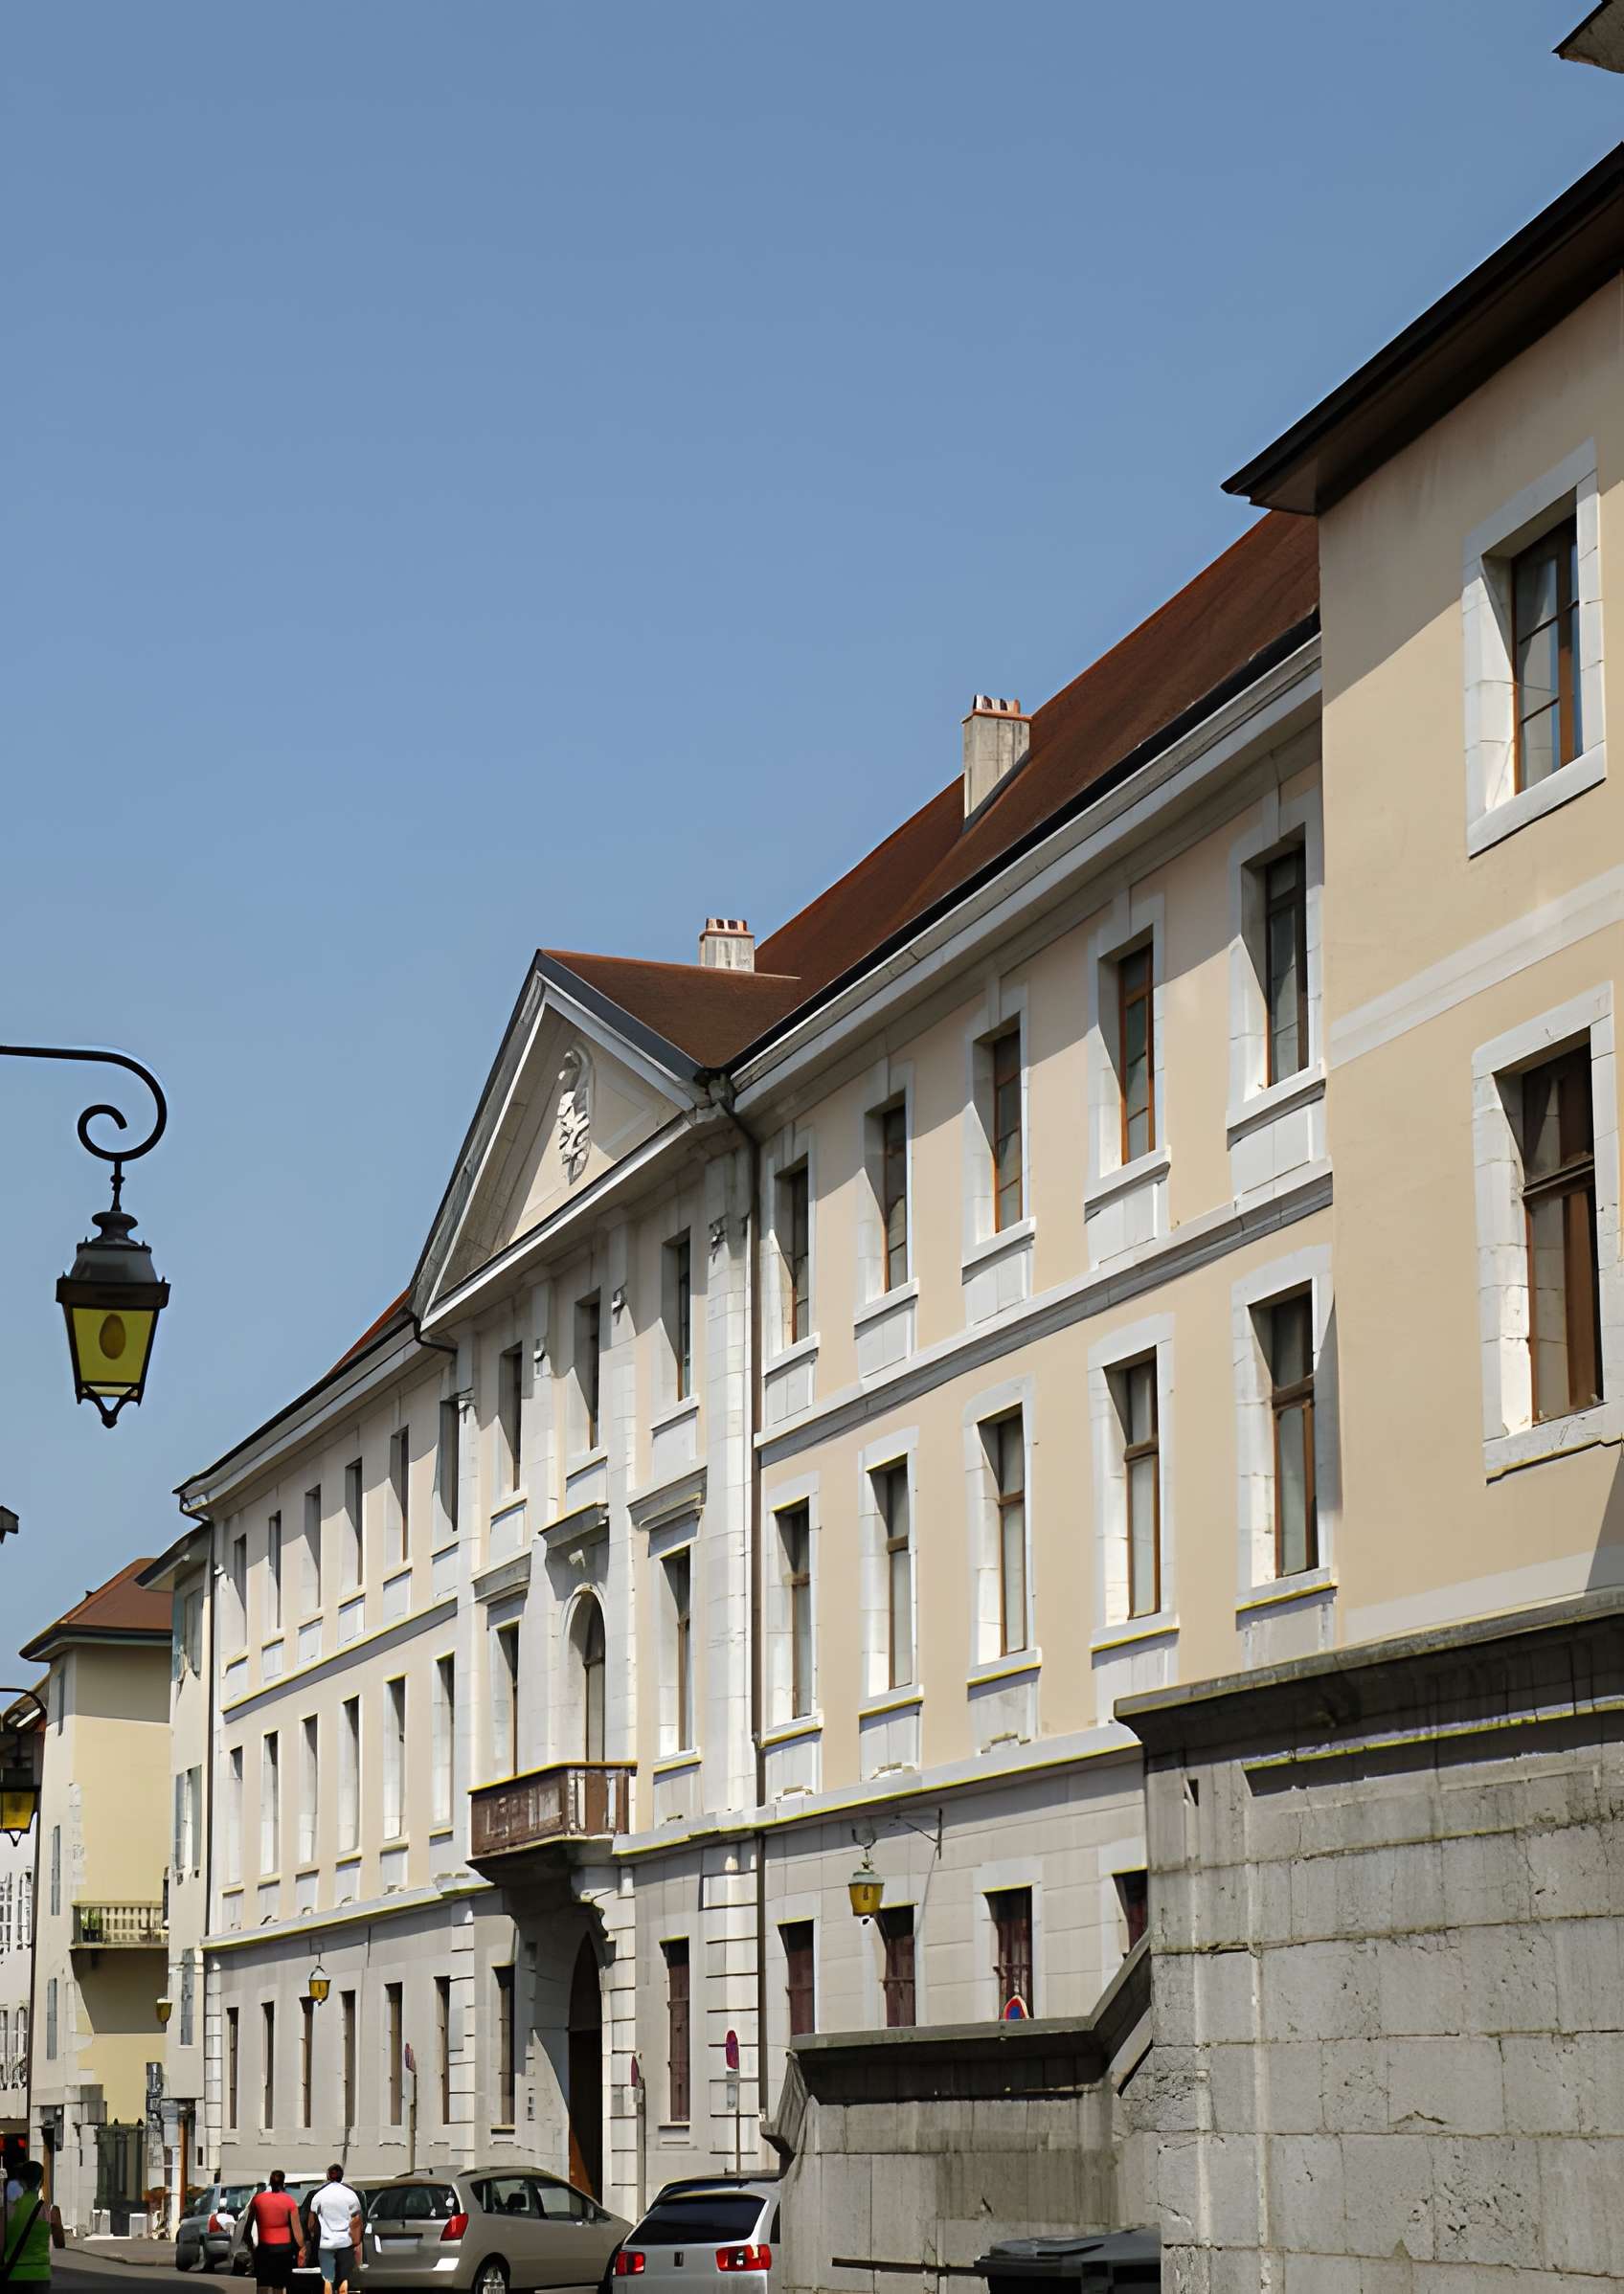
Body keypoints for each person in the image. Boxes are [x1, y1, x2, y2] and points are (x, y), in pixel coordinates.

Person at [1, 2159, 65, 2288]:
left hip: (12, 2274)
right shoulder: (51, 2210)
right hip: (39, 2276)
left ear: (20, 2181)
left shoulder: (7, 2211)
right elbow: (60, 2243)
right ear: (41, 2182)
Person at [244, 2171, 304, 2294]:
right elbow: (297, 2229)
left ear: (270, 2182)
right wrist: (302, 2248)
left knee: (262, 2284)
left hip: (264, 2249)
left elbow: (247, 2229)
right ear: (283, 2182)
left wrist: (251, 2247)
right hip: (284, 2250)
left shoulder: (257, 2199)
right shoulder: (289, 2201)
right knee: (279, 2285)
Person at [306, 2166, 362, 2294]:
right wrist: (356, 2241)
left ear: (327, 2176)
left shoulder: (318, 2195)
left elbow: (311, 2223)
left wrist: (316, 2235)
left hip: (325, 2244)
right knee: (343, 2281)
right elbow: (356, 2221)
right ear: (342, 2176)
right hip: (345, 2243)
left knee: (327, 2280)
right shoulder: (351, 2195)